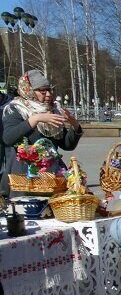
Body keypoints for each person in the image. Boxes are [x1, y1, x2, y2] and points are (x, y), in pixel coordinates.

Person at [2, 70, 83, 199]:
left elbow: (66, 145)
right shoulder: (15, 109)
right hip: (24, 179)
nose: (48, 95)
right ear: (28, 90)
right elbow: (8, 138)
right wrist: (35, 119)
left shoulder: (52, 111)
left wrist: (75, 126)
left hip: (52, 178)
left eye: (49, 90)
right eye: (42, 91)